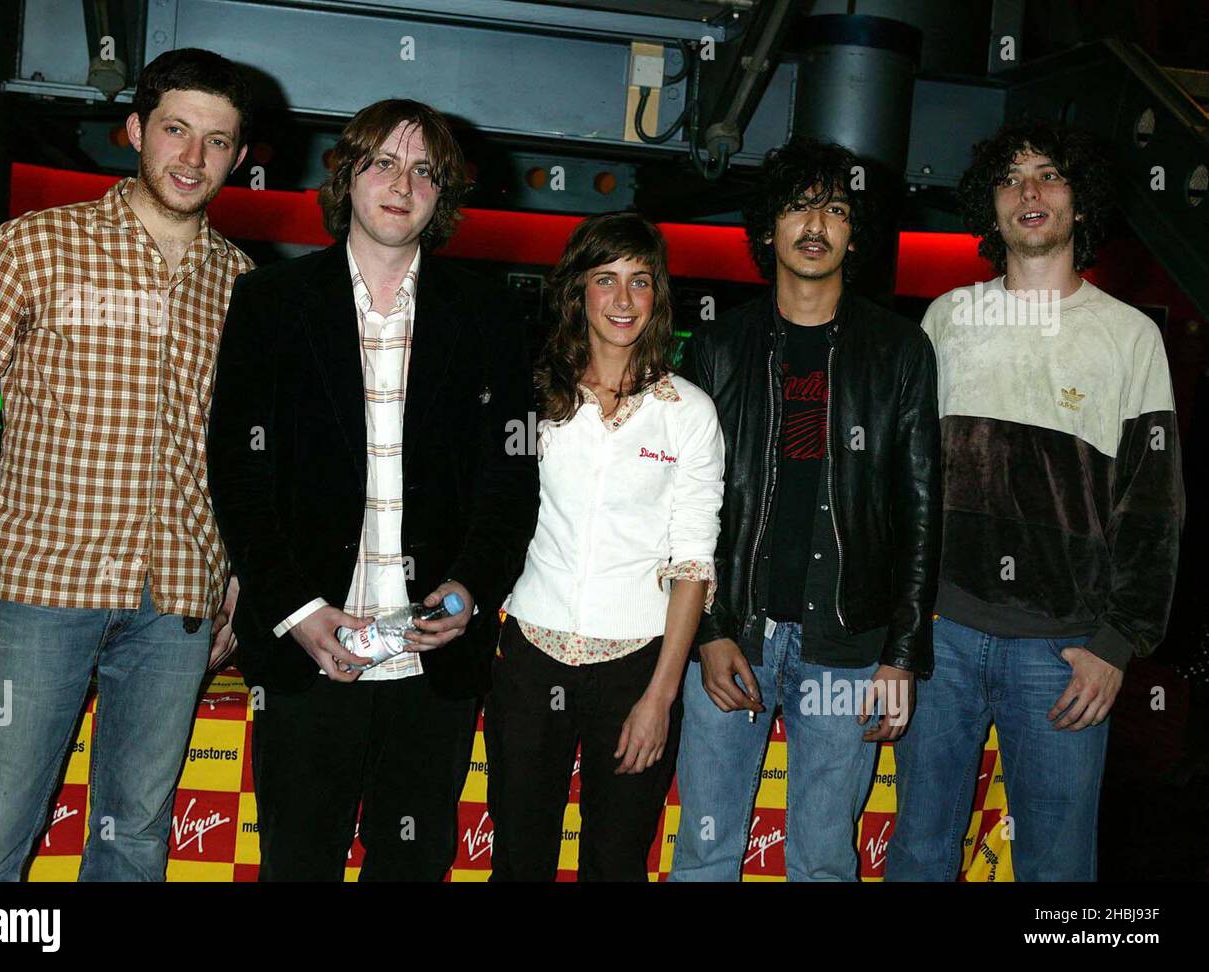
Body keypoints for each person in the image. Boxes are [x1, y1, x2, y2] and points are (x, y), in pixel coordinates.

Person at [0, 48, 253, 881]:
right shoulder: (36, 245)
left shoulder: (247, 286)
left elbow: (250, 456)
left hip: (178, 600)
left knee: (134, 837)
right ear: (136, 129)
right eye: (176, 130)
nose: (192, 157)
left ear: (239, 158)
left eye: (216, 142)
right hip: (39, 590)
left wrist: (238, 583)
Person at [206, 99, 539, 881]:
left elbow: (511, 475)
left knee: (413, 867)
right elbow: (237, 471)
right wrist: (297, 609)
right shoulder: (271, 303)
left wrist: (469, 590)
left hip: (435, 663)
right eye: (383, 162)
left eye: (426, 170)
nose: (403, 182)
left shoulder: (489, 316)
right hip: (307, 650)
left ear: (443, 194)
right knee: (299, 864)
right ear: (349, 175)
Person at [887, 121, 1184, 882]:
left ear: (1080, 202)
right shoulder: (948, 318)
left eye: (1049, 175)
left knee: (1056, 870)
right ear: (990, 209)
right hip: (942, 638)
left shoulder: (1129, 338)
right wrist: (902, 621)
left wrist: (1117, 644)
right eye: (1011, 177)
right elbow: (903, 480)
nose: (1030, 192)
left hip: (1063, 653)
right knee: (919, 855)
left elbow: (1154, 508)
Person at [669, 137, 941, 882]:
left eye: (836, 208)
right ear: (767, 229)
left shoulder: (900, 350)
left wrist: (902, 653)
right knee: (704, 853)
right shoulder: (719, 348)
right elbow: (686, 505)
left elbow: (922, 510)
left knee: (824, 862)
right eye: (798, 206)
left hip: (848, 644)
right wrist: (711, 632)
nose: (816, 223)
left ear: (855, 232)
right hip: (735, 638)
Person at [485, 212, 724, 881]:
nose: (623, 300)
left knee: (616, 865)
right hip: (532, 654)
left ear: (658, 296)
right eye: (605, 280)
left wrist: (660, 697)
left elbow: (693, 561)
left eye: (639, 281)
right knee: (519, 860)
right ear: (576, 292)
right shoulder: (532, 399)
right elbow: (495, 519)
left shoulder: (688, 412)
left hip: (637, 666)